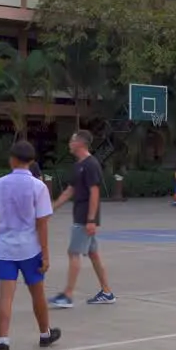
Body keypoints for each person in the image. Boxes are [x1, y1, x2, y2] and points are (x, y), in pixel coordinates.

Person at [0, 140, 63, 350]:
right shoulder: (39, 187)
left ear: (12, 159)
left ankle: (3, 340)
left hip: (6, 249)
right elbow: (42, 223)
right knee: (37, 293)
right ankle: (45, 334)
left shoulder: (1, 183)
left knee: (5, 296)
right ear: (32, 161)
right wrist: (45, 254)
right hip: (30, 248)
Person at [48, 130, 115, 307]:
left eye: (72, 140)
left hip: (85, 217)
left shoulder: (91, 164)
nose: (69, 143)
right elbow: (70, 190)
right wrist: (51, 208)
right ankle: (107, 292)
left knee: (73, 253)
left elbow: (95, 192)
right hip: (80, 214)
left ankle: (67, 295)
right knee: (93, 254)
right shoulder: (78, 165)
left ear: (80, 143)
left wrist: (91, 220)